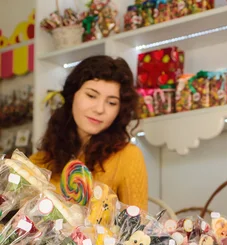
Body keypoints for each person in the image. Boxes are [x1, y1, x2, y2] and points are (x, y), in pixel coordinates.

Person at [30, 55, 148, 210]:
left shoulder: (128, 157)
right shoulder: (41, 160)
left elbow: (137, 228)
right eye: (91, 95)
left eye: (111, 102)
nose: (99, 109)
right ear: (73, 95)